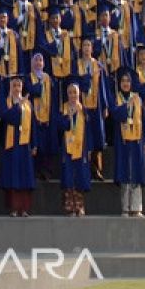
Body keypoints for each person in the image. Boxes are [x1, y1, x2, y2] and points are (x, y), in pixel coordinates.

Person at [111, 67, 145, 217]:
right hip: (122, 141)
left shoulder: (138, 98)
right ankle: (125, 208)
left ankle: (137, 207)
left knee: (137, 173)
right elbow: (115, 114)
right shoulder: (116, 98)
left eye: (128, 81)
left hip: (137, 141)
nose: (126, 83)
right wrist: (126, 106)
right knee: (124, 174)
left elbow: (144, 119)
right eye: (123, 81)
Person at [0, 75, 35, 217]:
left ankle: (24, 208)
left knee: (24, 176)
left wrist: (35, 144)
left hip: (24, 145)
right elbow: (9, 118)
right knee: (13, 176)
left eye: (19, 85)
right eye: (14, 85)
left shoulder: (28, 104)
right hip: (11, 145)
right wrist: (17, 106)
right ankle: (14, 208)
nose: (16, 88)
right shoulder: (6, 102)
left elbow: (33, 126)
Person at [57, 79, 91, 216]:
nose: (73, 95)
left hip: (81, 149)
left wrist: (89, 149)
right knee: (69, 177)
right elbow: (61, 127)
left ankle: (80, 206)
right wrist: (68, 117)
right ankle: (70, 207)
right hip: (67, 149)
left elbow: (89, 132)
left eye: (75, 92)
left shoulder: (84, 111)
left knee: (80, 178)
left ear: (79, 94)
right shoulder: (63, 109)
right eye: (70, 93)